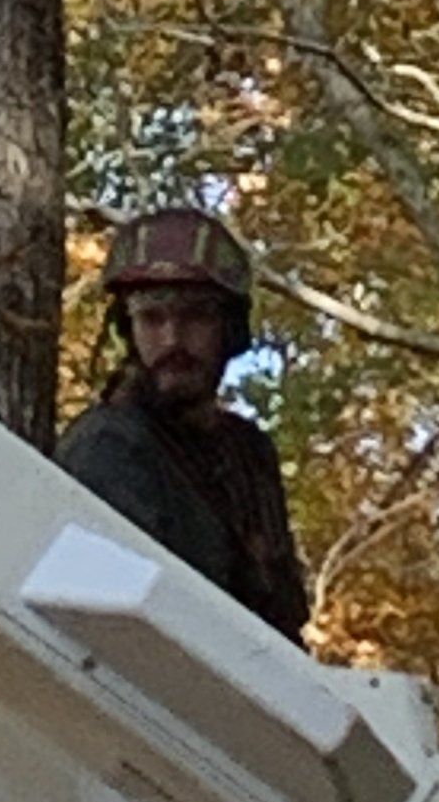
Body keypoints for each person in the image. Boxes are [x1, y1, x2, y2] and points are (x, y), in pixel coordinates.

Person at [57, 206, 310, 643]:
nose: (173, 339)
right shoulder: (108, 446)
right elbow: (132, 628)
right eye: (153, 318)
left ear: (228, 330)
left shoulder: (247, 452)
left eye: (195, 316)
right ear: (128, 329)